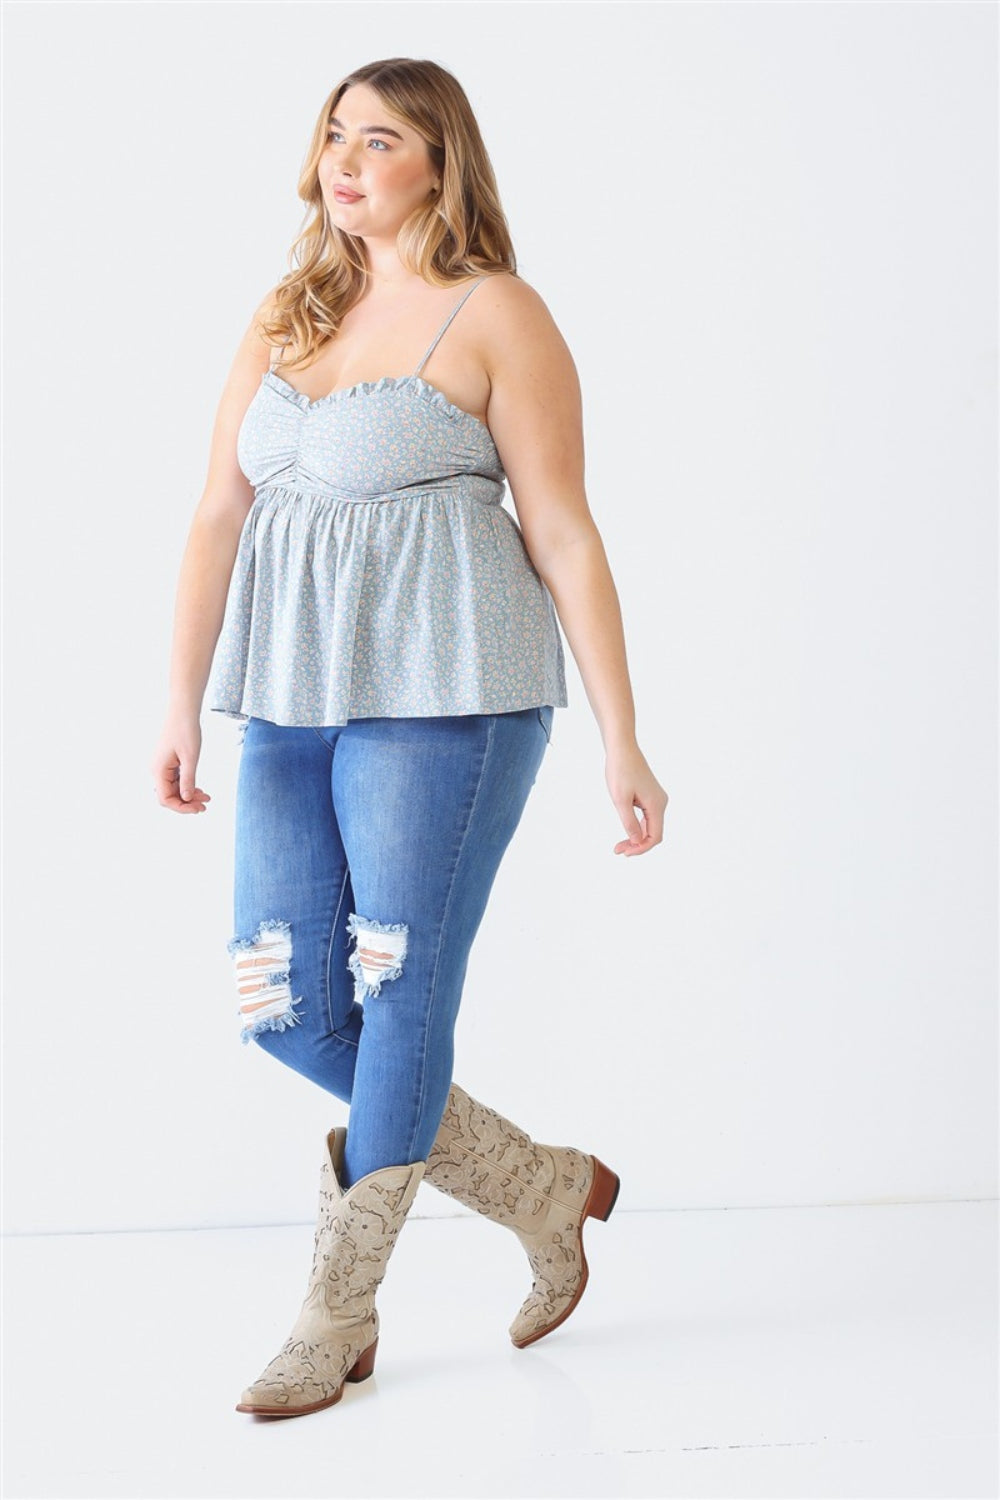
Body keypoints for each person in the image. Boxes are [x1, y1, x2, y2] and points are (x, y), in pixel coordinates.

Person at [151, 56, 669, 1421]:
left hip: (451, 696)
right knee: (286, 1002)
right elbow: (217, 514)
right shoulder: (286, 311)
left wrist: (625, 736)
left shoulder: (499, 314)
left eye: (379, 140)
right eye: (334, 136)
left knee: (398, 989)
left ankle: (336, 1315)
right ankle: (544, 1189)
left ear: (441, 162)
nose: (346, 160)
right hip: (289, 699)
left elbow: (563, 528)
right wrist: (177, 701)